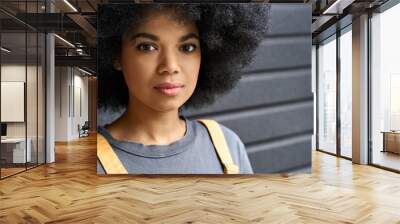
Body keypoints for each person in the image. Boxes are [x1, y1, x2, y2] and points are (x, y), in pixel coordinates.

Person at [97, 3, 270, 174]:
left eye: (187, 47)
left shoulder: (227, 147)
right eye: (147, 47)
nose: (170, 66)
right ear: (116, 55)